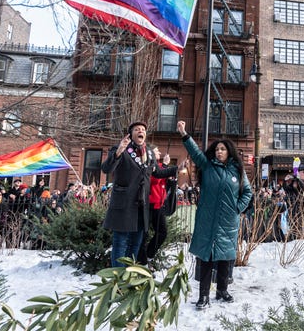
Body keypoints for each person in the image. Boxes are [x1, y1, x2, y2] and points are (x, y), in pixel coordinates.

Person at [176, 120, 253, 310]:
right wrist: (184, 134)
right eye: (217, 149)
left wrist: (237, 208)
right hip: (207, 220)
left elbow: (248, 193)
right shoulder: (207, 166)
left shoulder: (238, 171)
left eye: (222, 149)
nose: (219, 152)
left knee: (225, 257)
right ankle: (203, 296)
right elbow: (195, 152)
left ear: (229, 152)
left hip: (228, 221)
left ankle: (222, 291)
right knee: (207, 257)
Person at [101, 121, 181, 268]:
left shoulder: (149, 152)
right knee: (121, 242)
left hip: (141, 205)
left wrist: (176, 168)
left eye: (143, 129)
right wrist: (118, 152)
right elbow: (106, 168)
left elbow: (158, 172)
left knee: (136, 243)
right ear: (131, 134)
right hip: (124, 204)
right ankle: (118, 280)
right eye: (137, 129)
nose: (141, 131)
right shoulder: (121, 149)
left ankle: (130, 275)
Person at [137, 146, 175, 270]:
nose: (159, 152)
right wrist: (164, 166)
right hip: (150, 204)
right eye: (157, 150)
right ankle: (142, 261)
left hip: (159, 204)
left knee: (162, 232)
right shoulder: (150, 165)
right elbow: (153, 179)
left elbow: (163, 184)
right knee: (145, 234)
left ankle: (148, 255)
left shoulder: (159, 165)